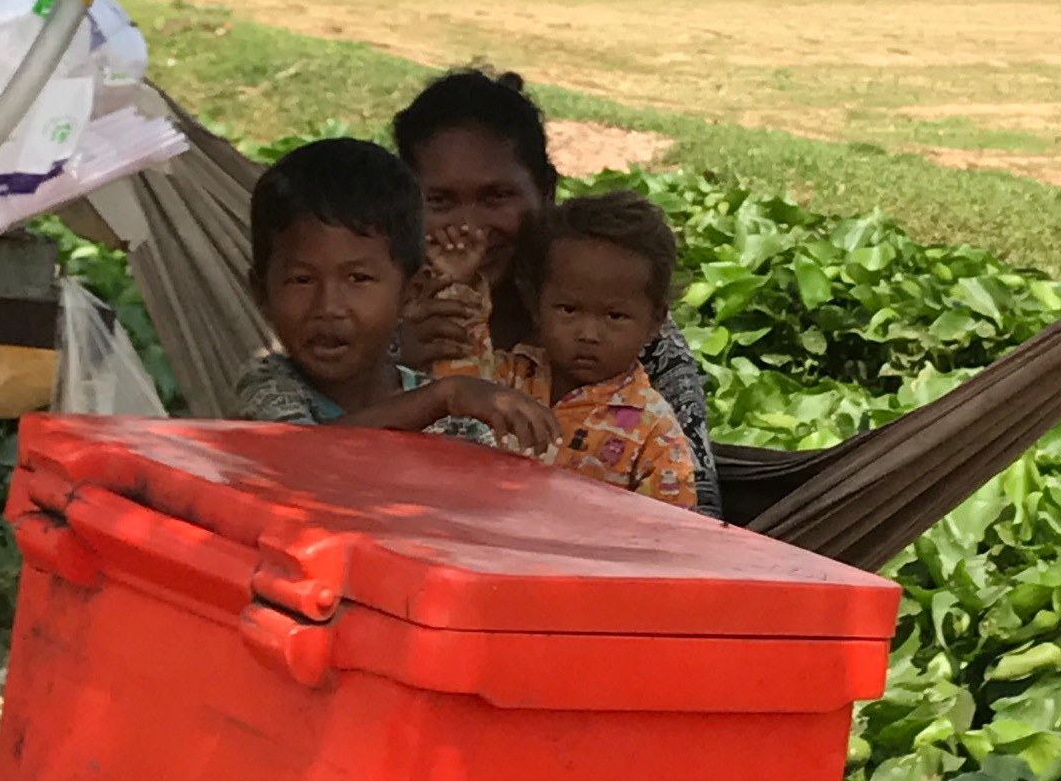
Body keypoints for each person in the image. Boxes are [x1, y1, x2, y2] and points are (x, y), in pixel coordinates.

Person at [392, 69, 724, 518]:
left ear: (546, 192)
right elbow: (324, 444)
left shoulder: (640, 333)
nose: (470, 227)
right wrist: (393, 365)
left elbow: (693, 506)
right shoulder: (379, 307)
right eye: (440, 201)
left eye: (497, 196)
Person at [233, 136, 558, 457]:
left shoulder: (451, 416)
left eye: (358, 278)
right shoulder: (268, 387)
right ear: (262, 294)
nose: (328, 307)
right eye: (301, 280)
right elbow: (298, 455)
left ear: (411, 293)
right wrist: (440, 397)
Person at [426, 191, 698, 508]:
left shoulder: (654, 429)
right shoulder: (509, 377)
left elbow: (672, 533)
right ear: (536, 306)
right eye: (569, 310)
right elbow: (459, 367)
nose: (588, 333)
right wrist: (460, 284)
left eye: (614, 316)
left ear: (654, 322)